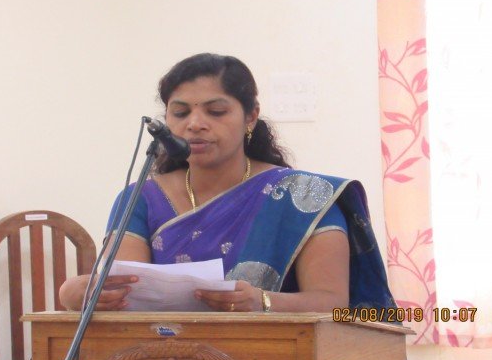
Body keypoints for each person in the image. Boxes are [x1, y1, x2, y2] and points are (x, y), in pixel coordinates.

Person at [59, 53, 396, 314]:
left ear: (251, 116)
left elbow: (332, 304)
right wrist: (75, 292)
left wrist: (263, 302)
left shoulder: (304, 197)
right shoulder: (141, 198)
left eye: (216, 111)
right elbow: (126, 290)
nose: (195, 124)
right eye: (180, 113)